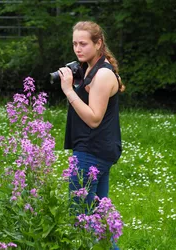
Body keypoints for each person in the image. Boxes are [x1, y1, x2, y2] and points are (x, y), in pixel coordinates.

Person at [58, 21, 125, 209]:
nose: (78, 49)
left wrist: (69, 91)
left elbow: (94, 119)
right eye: (75, 44)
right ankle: (106, 240)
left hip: (92, 150)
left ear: (98, 43)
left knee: (80, 215)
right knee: (98, 215)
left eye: (83, 44)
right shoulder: (88, 67)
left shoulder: (102, 74)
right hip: (96, 148)